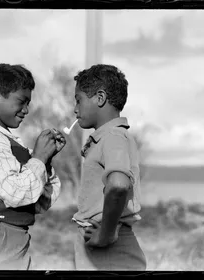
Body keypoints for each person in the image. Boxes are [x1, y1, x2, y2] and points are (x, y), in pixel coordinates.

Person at [0, 63, 66, 270]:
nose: (26, 110)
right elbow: (15, 192)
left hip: (8, 237)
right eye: (21, 101)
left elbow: (39, 203)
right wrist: (39, 158)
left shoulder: (9, 142)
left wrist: (46, 160)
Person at [71, 64, 146, 270]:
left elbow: (118, 185)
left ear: (100, 98)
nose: (75, 109)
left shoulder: (113, 137)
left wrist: (105, 233)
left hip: (109, 250)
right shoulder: (107, 138)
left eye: (78, 100)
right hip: (103, 247)